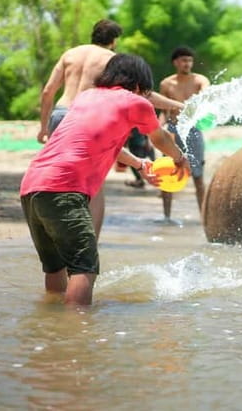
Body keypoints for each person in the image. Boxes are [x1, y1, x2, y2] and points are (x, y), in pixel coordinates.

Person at [21, 54, 190, 306]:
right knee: (84, 267)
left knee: (55, 266)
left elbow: (103, 142)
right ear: (139, 84)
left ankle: (51, 322)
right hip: (65, 189)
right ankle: (76, 326)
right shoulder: (136, 102)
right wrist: (180, 158)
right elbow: (160, 138)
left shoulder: (86, 97)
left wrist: (140, 164)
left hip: (32, 187)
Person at [37, 19, 185, 236]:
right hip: (88, 118)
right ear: (114, 40)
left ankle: (58, 232)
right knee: (93, 185)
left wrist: (43, 128)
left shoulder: (70, 54)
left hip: (59, 115)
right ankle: (90, 241)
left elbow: (48, 91)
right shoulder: (112, 60)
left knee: (59, 176)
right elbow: (141, 93)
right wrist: (178, 105)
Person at [158, 46, 210, 222]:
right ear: (175, 62)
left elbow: (206, 92)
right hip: (173, 130)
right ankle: (166, 217)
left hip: (193, 130)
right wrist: (156, 130)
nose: (187, 64)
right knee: (167, 173)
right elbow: (164, 112)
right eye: (183, 60)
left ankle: (204, 218)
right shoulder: (166, 84)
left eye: (189, 60)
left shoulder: (200, 81)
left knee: (198, 176)